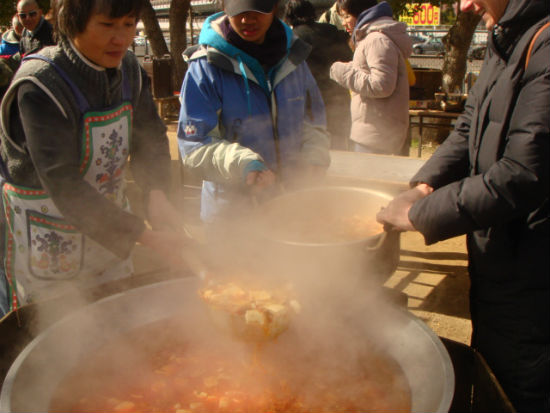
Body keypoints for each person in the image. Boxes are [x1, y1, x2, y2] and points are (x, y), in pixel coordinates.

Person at [376, 0, 549, 410]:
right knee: (492, 361)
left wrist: (421, 215)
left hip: (535, 262)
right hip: (501, 252)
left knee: (522, 383)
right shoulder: (508, 34)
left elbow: (525, 173)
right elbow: (469, 123)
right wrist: (423, 187)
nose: (464, 5)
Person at [0, 0, 189, 317]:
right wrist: (144, 237)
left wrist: (156, 193)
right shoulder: (40, 85)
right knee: (56, 335)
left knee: (117, 323)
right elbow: (62, 183)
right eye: (107, 25)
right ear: (71, 22)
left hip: (109, 228)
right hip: (47, 238)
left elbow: (150, 139)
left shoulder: (129, 70)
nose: (121, 38)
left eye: (129, 24)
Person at [177, 0, 331, 224]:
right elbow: (193, 147)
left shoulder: (294, 60)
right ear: (224, 8)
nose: (248, 19)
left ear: (275, 7)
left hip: (289, 206)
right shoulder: (205, 67)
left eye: (258, 9)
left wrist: (315, 158)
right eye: (239, 10)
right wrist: (243, 164)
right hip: (231, 217)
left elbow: (313, 122)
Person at [329, 0, 412, 155]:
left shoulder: (376, 40)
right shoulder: (373, 39)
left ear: (361, 12)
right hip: (375, 133)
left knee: (367, 178)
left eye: (346, 16)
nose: (343, 23)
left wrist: (342, 71)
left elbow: (382, 85)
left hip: (375, 136)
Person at [283, 0, 353, 150]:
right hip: (339, 100)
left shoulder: (292, 38)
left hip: (311, 105)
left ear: (289, 16)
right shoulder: (333, 32)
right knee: (340, 151)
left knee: (316, 151)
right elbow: (349, 59)